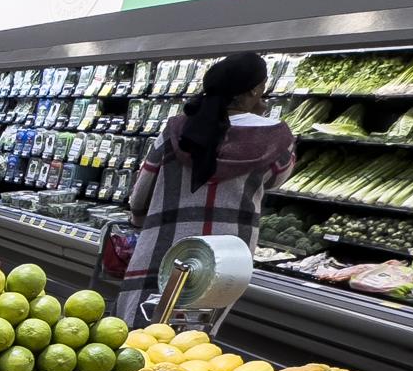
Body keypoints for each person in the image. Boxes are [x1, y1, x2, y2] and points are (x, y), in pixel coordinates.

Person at [121, 51, 293, 323]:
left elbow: (143, 189)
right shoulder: (276, 137)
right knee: (196, 338)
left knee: (140, 324)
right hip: (228, 253)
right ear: (255, 89)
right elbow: (275, 179)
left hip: (164, 243)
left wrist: (137, 218)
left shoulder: (177, 128)